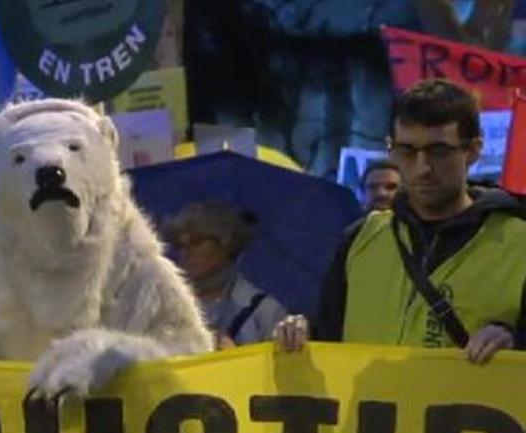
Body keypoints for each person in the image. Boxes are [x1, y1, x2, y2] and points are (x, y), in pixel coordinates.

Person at [275, 78, 526, 364]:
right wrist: (300, 332)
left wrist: (514, 341)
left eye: (439, 151)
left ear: (473, 150)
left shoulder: (518, 242)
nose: (423, 168)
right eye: (407, 151)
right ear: (391, 149)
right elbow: (327, 336)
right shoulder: (361, 238)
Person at [165, 201, 287, 347]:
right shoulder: (167, 306)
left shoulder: (264, 311)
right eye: (180, 246)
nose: (185, 254)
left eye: (197, 242)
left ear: (227, 244)